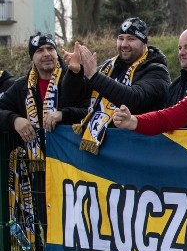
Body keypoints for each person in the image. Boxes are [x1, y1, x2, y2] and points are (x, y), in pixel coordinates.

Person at [0, 33, 88, 251]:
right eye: (39, 50)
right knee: (34, 228)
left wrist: (63, 114)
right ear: (32, 57)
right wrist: (14, 120)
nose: (46, 54)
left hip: (71, 168)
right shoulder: (20, 88)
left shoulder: (71, 79)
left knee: (66, 228)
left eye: (50, 48)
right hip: (35, 171)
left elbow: (88, 109)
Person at [61, 17, 170, 153]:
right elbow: (73, 97)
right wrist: (75, 73)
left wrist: (94, 76)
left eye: (131, 39)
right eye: (120, 38)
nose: (124, 44)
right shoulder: (109, 67)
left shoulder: (156, 70)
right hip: (105, 154)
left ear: (144, 43)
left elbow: (133, 99)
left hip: (141, 152)